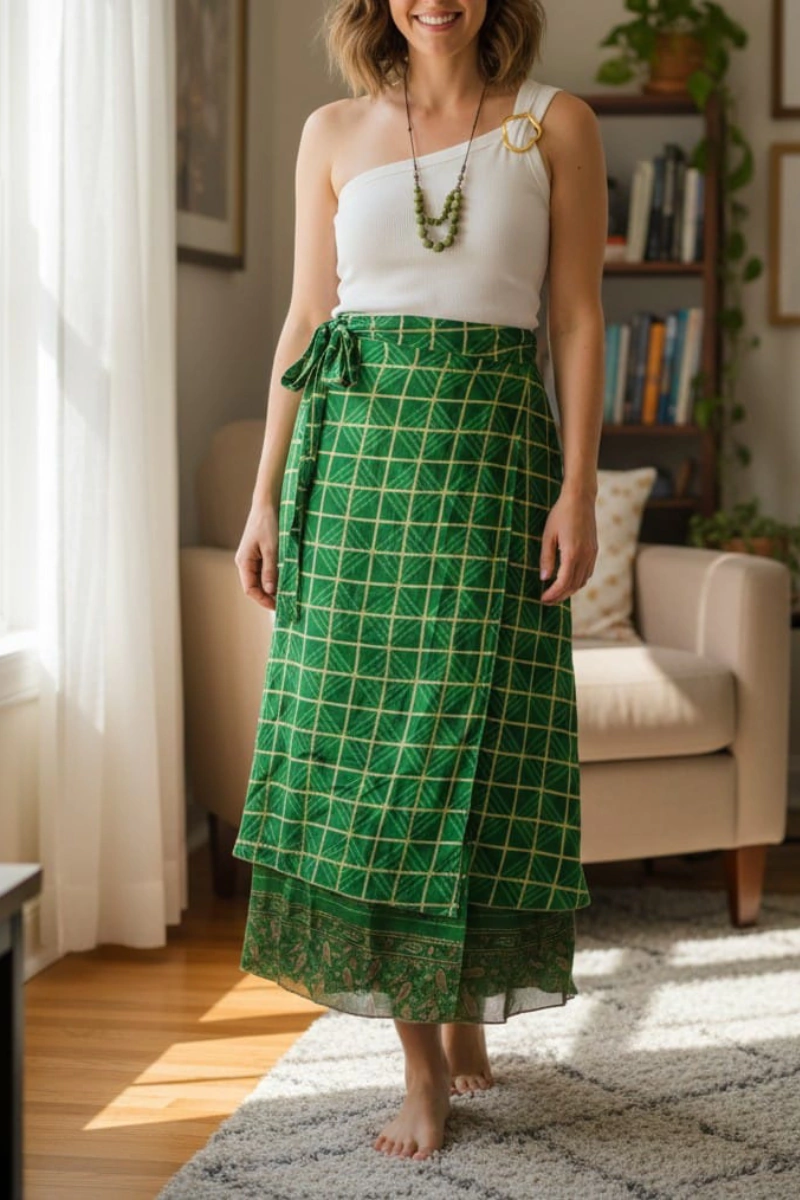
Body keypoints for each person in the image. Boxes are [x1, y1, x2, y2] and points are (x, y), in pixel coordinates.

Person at [232, 0, 605, 1163]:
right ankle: (420, 1061)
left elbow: (576, 318)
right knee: (372, 763)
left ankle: (463, 996)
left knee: (479, 749)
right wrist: (263, 496)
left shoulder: (553, 124)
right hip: (353, 477)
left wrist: (578, 489)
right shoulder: (330, 132)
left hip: (492, 467)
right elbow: (307, 317)